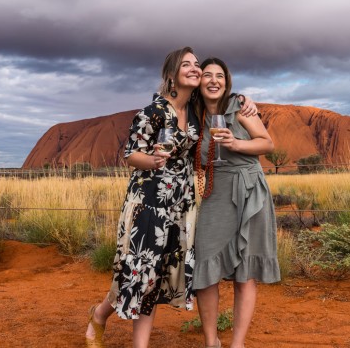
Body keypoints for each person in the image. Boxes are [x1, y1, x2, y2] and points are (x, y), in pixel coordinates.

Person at [85, 48, 257, 348]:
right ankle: (99, 316)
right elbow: (130, 155)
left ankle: (103, 316)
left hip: (181, 206)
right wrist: (150, 161)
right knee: (141, 273)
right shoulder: (152, 112)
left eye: (196, 64)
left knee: (153, 276)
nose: (194, 68)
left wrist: (242, 99)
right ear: (172, 74)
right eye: (186, 64)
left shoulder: (194, 109)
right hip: (149, 204)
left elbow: (223, 94)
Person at [193, 57, 280, 348]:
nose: (214, 80)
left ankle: (237, 343)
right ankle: (211, 342)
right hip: (215, 193)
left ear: (227, 81)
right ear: (199, 81)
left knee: (245, 273)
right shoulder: (194, 114)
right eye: (207, 75)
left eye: (220, 75)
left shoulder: (240, 107)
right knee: (206, 266)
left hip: (248, 190)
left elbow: (267, 143)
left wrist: (237, 144)